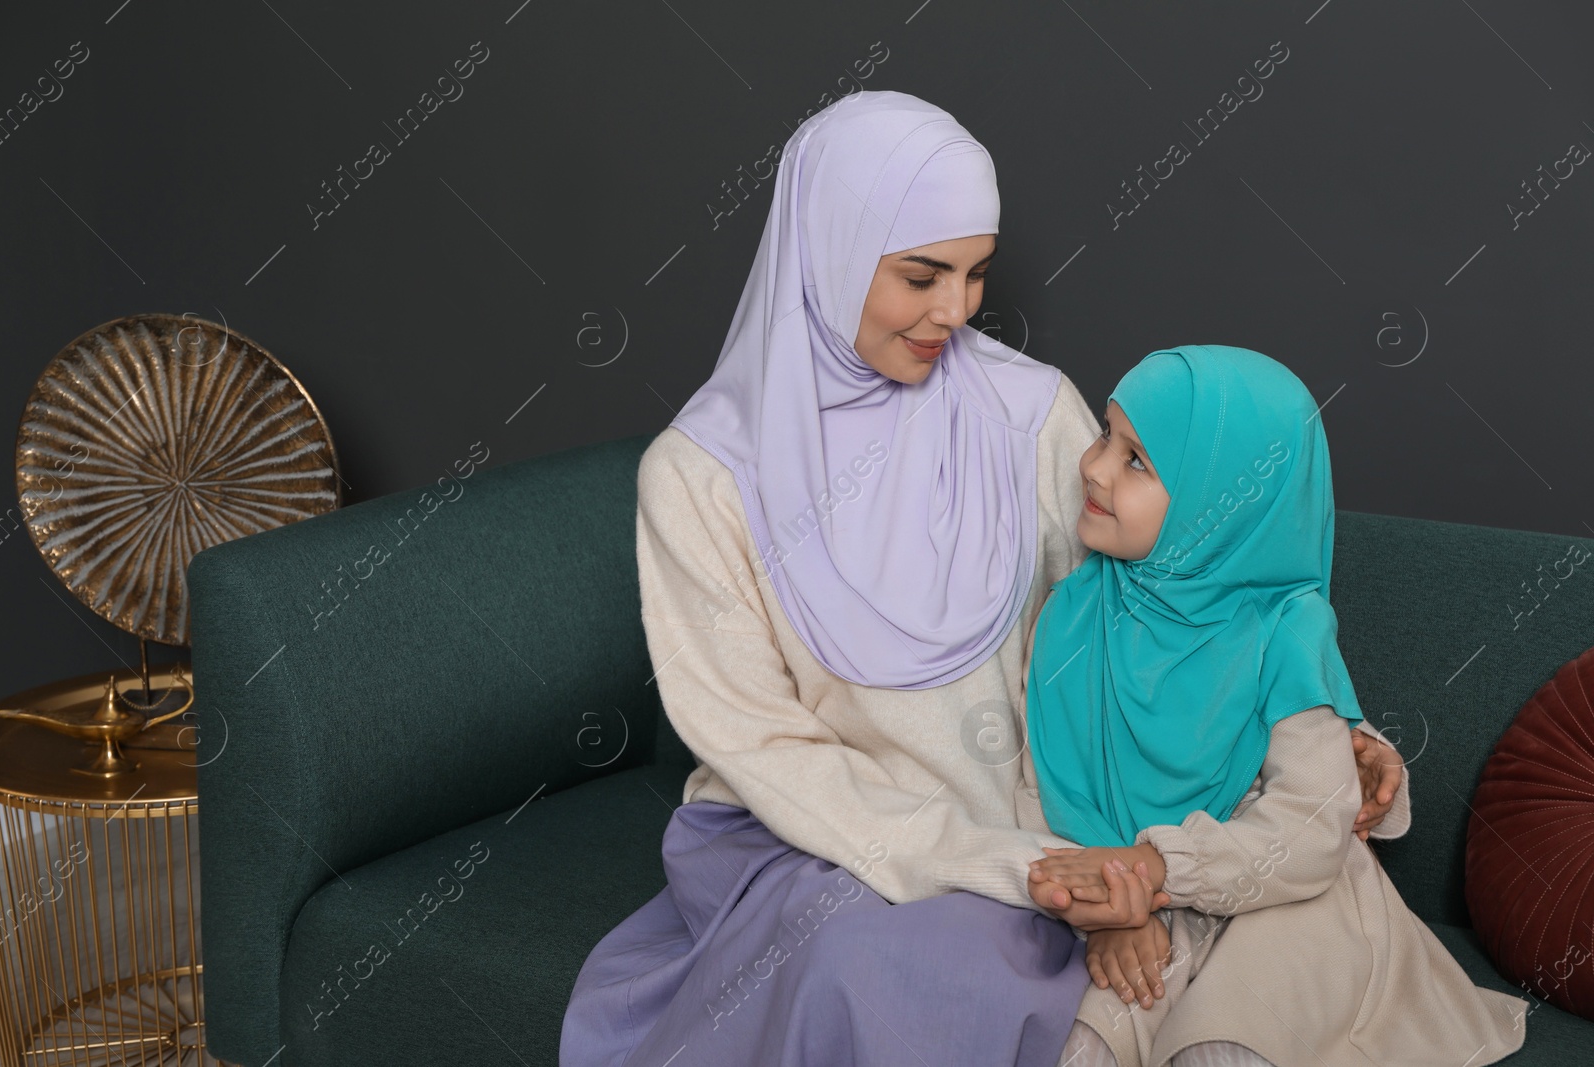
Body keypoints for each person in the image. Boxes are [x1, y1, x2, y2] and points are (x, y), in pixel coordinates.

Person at [559, 92, 1403, 1066]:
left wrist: (1338, 735)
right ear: (823, 248)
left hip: (1050, 829)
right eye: (921, 274)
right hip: (815, 836)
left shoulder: (1029, 412)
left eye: (973, 274)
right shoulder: (701, 473)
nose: (954, 311)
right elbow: (766, 748)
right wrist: (1034, 870)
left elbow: (1168, 608)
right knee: (865, 964)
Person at [1024, 346, 1526, 1067]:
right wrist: (1112, 903)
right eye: (1106, 433)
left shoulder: (1286, 628)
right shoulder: (1072, 613)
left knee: (1222, 1047)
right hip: (1139, 906)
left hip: (1281, 893)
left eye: (1137, 459)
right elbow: (1036, 785)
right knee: (1079, 1045)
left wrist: (1152, 871)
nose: (1094, 466)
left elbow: (1310, 826)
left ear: (1220, 501)